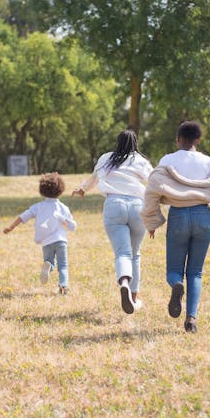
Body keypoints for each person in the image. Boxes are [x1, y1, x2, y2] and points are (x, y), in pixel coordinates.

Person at [141, 121, 210, 333]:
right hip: (203, 216)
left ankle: (176, 285)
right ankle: (191, 319)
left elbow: (152, 190)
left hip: (178, 216)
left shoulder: (168, 160)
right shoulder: (209, 162)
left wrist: (152, 221)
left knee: (174, 271)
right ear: (198, 140)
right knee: (196, 272)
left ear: (178, 140)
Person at [72, 130, 153, 314]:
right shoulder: (139, 160)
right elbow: (154, 182)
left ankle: (124, 281)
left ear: (117, 142)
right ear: (135, 144)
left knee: (122, 253)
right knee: (135, 254)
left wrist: (82, 189)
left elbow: (94, 177)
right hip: (137, 206)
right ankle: (133, 297)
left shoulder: (106, 158)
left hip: (114, 205)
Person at [3, 172, 77, 294]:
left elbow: (23, 217)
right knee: (63, 265)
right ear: (61, 189)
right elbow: (71, 225)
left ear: (42, 190)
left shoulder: (38, 206)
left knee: (49, 262)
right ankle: (64, 287)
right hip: (61, 240)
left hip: (46, 242)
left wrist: (11, 227)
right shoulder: (63, 207)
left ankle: (49, 267)